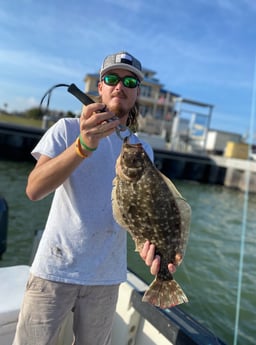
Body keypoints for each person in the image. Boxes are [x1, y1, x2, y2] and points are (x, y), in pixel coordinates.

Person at [13, 51, 175, 345]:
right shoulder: (68, 129)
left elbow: (140, 213)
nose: (119, 86)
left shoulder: (142, 150)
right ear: (99, 87)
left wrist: (155, 251)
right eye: (111, 78)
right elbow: (34, 189)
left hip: (107, 277)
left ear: (137, 93)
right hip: (55, 269)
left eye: (129, 81)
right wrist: (84, 145)